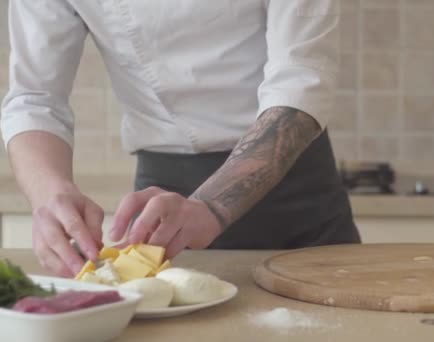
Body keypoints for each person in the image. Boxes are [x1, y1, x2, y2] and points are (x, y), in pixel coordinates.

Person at [0, 1, 360, 278]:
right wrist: (50, 196)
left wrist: (212, 206)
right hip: (162, 211)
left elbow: (299, 83)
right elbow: (35, 98)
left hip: (298, 205)